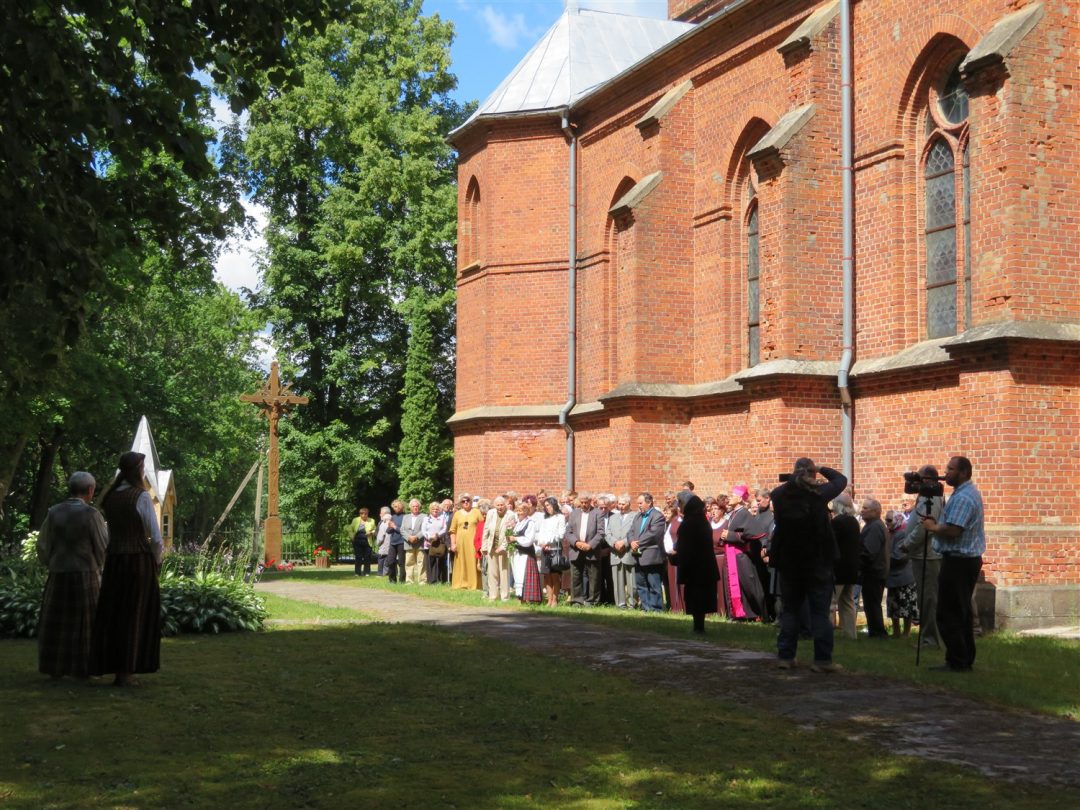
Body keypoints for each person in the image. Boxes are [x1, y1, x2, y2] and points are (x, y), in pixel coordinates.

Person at [90, 451, 163, 687]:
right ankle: (127, 671)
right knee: (135, 613)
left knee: (114, 614)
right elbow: (156, 537)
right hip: (137, 561)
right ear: (137, 470)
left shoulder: (111, 497)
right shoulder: (140, 496)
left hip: (115, 561)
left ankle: (113, 666)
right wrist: (157, 561)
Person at [769, 458, 848, 672]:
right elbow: (841, 480)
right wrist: (820, 468)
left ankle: (786, 656)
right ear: (812, 473)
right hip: (817, 559)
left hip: (789, 559)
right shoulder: (819, 493)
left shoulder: (778, 494)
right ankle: (822, 660)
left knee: (790, 610)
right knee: (820, 612)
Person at [35, 471, 108, 679]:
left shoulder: (54, 512)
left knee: (57, 623)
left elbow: (43, 545)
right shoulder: (92, 515)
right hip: (85, 573)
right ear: (90, 490)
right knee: (86, 624)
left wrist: (52, 562)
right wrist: (99, 566)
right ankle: (84, 667)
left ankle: (55, 667)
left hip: (58, 572)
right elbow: (102, 546)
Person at [919, 456, 985, 672]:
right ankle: (964, 658)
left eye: (951, 469)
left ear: (964, 472)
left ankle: (957, 661)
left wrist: (933, 527)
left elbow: (955, 529)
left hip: (959, 561)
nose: (946, 472)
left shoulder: (964, 497)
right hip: (963, 560)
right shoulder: (964, 493)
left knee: (949, 612)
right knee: (961, 612)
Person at [901, 466, 943, 649]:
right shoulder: (926, 496)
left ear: (928, 479)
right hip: (922, 554)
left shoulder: (932, 498)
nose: (914, 483)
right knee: (924, 598)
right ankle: (928, 637)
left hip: (928, 555)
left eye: (918, 479)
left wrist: (908, 543)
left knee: (928, 599)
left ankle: (931, 639)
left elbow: (925, 527)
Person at [675, 492, 719, 633]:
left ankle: (698, 627)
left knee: (696, 597)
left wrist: (677, 556)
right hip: (705, 565)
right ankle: (699, 626)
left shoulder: (689, 523)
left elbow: (685, 545)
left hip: (694, 566)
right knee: (701, 598)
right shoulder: (702, 521)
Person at [628, 493, 667, 613]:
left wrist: (638, 543)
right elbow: (630, 531)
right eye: (638, 503)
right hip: (637, 555)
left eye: (641, 503)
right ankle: (646, 607)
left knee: (654, 584)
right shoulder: (638, 516)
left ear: (649, 502)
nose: (638, 505)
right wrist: (631, 542)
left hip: (651, 556)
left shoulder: (657, 516)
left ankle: (656, 609)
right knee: (641, 584)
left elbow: (654, 534)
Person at [565, 492, 605, 606]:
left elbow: (601, 532)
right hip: (576, 549)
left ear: (590, 502)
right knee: (576, 576)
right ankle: (577, 600)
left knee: (594, 576)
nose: (583, 504)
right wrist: (576, 542)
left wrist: (590, 545)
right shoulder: (574, 513)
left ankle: (592, 601)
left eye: (586, 502)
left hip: (591, 550)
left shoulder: (598, 513)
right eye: (581, 502)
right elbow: (568, 532)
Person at [830, 493, 861, 640]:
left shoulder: (837, 522)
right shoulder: (854, 521)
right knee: (847, 602)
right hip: (851, 568)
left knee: (831, 603)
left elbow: (832, 544)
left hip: (839, 569)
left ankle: (826, 633)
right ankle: (851, 634)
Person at [858, 498, 890, 639]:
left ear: (876, 511)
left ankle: (878, 632)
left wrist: (859, 564)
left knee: (872, 603)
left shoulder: (875, 526)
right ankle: (875, 631)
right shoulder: (873, 525)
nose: (862, 511)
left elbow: (869, 552)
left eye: (866, 508)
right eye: (862, 508)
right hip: (875, 570)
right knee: (871, 603)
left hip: (874, 571)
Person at [886, 510, 919, 637]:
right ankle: (896, 632)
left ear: (897, 519)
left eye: (889, 520)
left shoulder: (903, 533)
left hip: (904, 576)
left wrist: (884, 559)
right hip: (893, 576)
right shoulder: (891, 533)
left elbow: (900, 556)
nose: (887, 522)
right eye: (886, 520)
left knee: (906, 606)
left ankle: (906, 632)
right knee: (893, 606)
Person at [480, 496, 515, 601]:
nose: (500, 507)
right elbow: (486, 530)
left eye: (502, 505)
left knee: (504, 573)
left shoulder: (511, 515)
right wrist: (484, 546)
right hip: (491, 546)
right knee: (492, 573)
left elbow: (510, 532)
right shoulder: (491, 513)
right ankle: (493, 596)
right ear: (494, 506)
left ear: (505, 505)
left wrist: (503, 546)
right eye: (498, 505)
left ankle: (505, 597)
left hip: (503, 548)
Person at [607, 494, 637, 609]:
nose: (621, 506)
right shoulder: (613, 517)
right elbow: (607, 533)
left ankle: (632, 603)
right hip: (615, 553)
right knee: (617, 581)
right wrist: (614, 542)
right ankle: (620, 604)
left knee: (631, 581)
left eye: (623, 504)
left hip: (628, 552)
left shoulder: (635, 516)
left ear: (629, 504)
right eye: (619, 504)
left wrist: (624, 543)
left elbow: (635, 532)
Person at [536, 497, 567, 607]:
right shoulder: (545, 518)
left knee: (555, 576)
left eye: (548, 505)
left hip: (555, 550)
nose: (547, 507)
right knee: (547, 576)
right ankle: (549, 600)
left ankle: (555, 600)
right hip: (545, 549)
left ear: (554, 505)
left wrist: (549, 542)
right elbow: (541, 533)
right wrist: (542, 543)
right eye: (545, 506)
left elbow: (561, 534)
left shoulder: (560, 517)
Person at [449, 493, 482, 590]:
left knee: (473, 562)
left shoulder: (476, 512)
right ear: (460, 503)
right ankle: (461, 584)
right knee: (461, 562)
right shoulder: (457, 514)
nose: (466, 502)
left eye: (468, 500)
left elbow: (482, 527)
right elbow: (452, 531)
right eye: (463, 501)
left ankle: (474, 584)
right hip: (460, 544)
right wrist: (453, 543)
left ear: (471, 501)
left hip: (473, 543)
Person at [513, 497, 542, 603]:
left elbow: (529, 540)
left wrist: (515, 539)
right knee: (519, 575)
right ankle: (521, 598)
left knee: (526, 575)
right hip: (518, 553)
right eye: (518, 510)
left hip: (527, 554)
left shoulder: (530, 523)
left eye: (521, 511)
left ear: (526, 512)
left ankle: (530, 598)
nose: (519, 513)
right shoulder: (518, 523)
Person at [399, 499, 426, 585]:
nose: (415, 508)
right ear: (410, 507)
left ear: (419, 507)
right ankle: (409, 581)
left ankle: (422, 581)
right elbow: (402, 530)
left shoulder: (424, 516)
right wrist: (409, 537)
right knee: (409, 563)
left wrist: (417, 537)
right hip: (408, 543)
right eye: (413, 506)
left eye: (417, 506)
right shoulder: (405, 517)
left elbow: (425, 529)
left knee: (421, 563)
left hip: (420, 543)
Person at [422, 501, 447, 584]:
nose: (435, 510)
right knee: (430, 562)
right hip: (429, 543)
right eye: (433, 509)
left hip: (439, 543)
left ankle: (439, 580)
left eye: (436, 509)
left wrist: (438, 535)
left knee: (440, 561)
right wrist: (429, 537)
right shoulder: (426, 519)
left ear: (439, 510)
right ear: (430, 510)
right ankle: (431, 580)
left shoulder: (442, 518)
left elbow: (444, 528)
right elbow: (423, 530)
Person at [385, 499, 406, 583]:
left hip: (402, 542)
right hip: (393, 542)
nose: (396, 508)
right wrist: (390, 526)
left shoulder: (405, 517)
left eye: (397, 506)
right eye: (394, 507)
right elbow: (388, 531)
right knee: (390, 561)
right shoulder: (393, 517)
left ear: (402, 507)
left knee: (401, 562)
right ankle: (392, 580)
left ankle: (402, 580)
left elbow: (404, 531)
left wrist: (394, 527)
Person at [349, 507, 371, 576]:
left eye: (366, 514)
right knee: (358, 557)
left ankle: (366, 572)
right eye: (362, 514)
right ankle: (357, 572)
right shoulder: (355, 520)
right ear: (360, 514)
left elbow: (375, 529)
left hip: (367, 540)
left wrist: (371, 532)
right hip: (357, 540)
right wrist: (352, 537)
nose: (364, 515)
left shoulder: (371, 520)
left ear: (367, 514)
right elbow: (350, 529)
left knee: (367, 557)